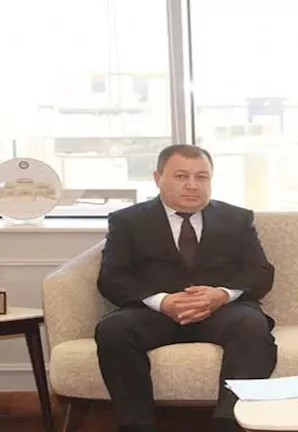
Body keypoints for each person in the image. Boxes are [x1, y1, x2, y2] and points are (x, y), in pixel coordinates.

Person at [95, 144, 277, 432]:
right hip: (154, 313)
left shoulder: (237, 219)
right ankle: (137, 425)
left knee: (253, 325)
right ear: (158, 178)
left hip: (220, 311)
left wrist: (221, 295)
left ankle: (229, 423)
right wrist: (163, 301)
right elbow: (112, 277)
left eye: (201, 177)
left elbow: (260, 272)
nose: (192, 185)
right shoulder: (128, 221)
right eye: (181, 176)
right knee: (113, 330)